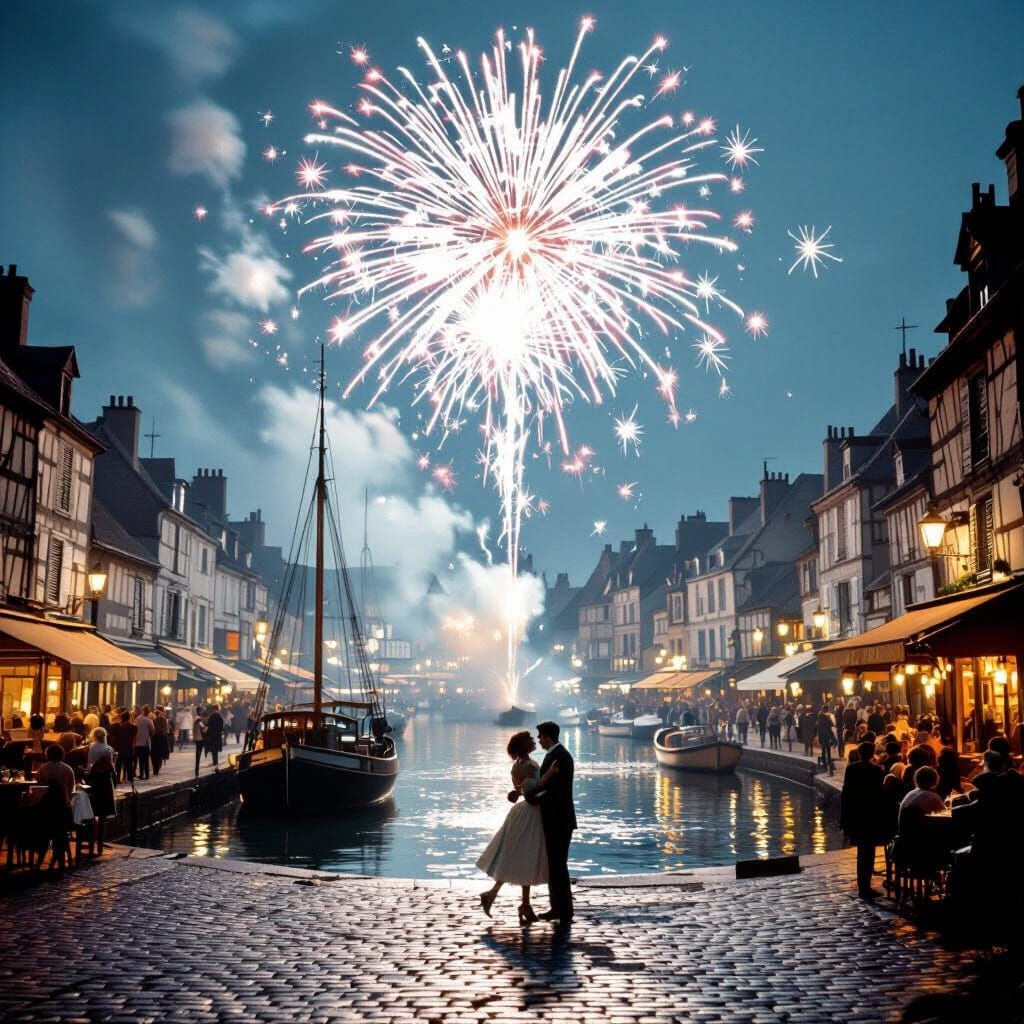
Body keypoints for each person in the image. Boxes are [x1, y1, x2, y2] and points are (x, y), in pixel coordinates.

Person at [477, 731, 559, 924]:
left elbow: (521, 789)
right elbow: (533, 789)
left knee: (522, 859)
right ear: (524, 746)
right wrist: (550, 774)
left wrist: (516, 792)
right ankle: (518, 902)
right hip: (531, 814)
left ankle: (520, 902)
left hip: (522, 813)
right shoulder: (529, 766)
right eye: (530, 740)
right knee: (526, 858)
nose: (534, 741)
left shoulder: (517, 766)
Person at [519, 721, 576, 924]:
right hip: (557, 818)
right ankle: (558, 907)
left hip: (558, 818)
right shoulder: (557, 755)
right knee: (555, 865)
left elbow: (554, 791)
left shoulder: (559, 757)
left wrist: (532, 797)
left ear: (548, 737)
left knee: (558, 865)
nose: (538, 740)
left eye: (540, 736)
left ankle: (563, 909)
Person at [840, 740, 887, 899]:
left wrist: (844, 818)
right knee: (868, 852)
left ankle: (863, 886)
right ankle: (865, 887)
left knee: (862, 853)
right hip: (870, 815)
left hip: (855, 815)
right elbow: (880, 794)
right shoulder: (876, 770)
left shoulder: (851, 769)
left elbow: (846, 793)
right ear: (872, 753)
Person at [85, 727, 116, 854]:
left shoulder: (91, 747)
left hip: (93, 781)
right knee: (103, 816)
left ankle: (91, 843)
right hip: (104, 783)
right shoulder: (108, 749)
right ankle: (100, 845)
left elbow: (89, 764)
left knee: (92, 813)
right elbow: (111, 767)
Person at [108, 711, 136, 786]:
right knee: (129, 764)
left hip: (119, 748)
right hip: (128, 748)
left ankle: (117, 778)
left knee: (118, 764)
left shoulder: (116, 727)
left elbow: (112, 738)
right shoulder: (133, 727)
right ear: (129, 718)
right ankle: (130, 778)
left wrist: (114, 746)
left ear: (121, 718)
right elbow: (134, 739)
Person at [133, 706, 155, 780]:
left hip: (137, 743)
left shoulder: (137, 719)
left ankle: (141, 775)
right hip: (145, 743)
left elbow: (134, 728)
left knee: (140, 760)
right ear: (148, 712)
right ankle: (147, 775)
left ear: (142, 711)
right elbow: (153, 731)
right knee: (145, 760)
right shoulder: (149, 720)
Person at [816, 707, 837, 775]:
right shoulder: (828, 717)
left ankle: (825, 765)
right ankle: (829, 764)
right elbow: (832, 725)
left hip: (822, 736)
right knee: (828, 751)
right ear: (827, 710)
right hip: (827, 737)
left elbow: (818, 727)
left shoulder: (820, 718)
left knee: (823, 751)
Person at [205, 704, 225, 770]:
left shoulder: (211, 716)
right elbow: (222, 725)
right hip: (217, 734)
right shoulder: (219, 716)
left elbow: (208, 724)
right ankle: (215, 761)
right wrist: (221, 731)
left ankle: (215, 761)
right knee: (215, 748)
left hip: (212, 734)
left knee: (214, 749)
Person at [193, 707, 208, 777]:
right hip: (200, 739)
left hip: (196, 739)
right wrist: (207, 727)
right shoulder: (199, 722)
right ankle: (197, 771)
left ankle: (196, 771)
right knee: (198, 755)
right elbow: (204, 730)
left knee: (198, 754)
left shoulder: (195, 721)